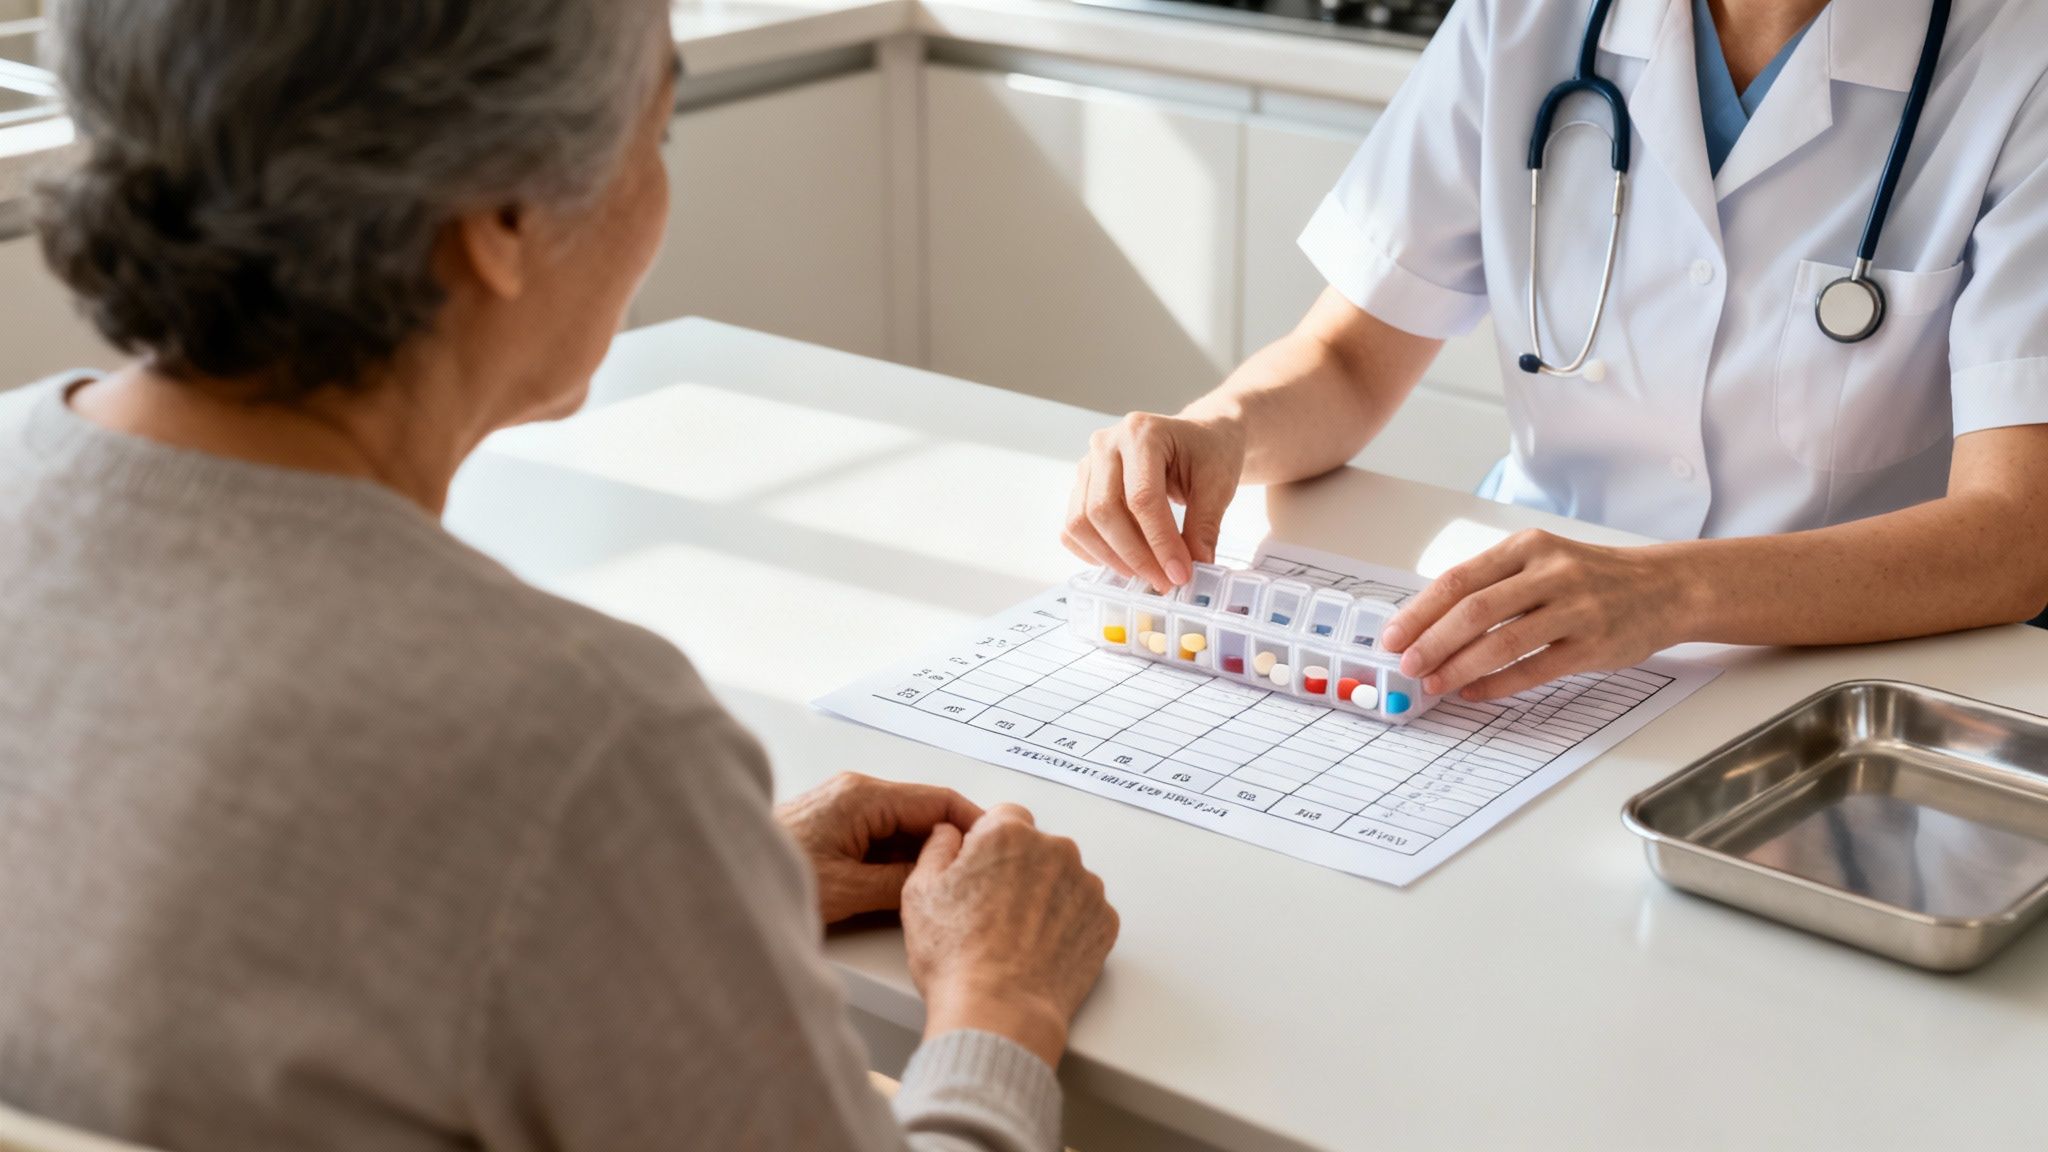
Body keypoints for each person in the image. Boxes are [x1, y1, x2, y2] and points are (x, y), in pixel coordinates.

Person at [0, 2, 1117, 1150]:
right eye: (655, 132)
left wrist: (673, 888)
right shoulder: (570, 738)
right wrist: (1001, 1003)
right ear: (505, 213)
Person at [1064, 0, 2048, 701]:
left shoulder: (2019, 60)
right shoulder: (1521, 19)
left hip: (1843, 673)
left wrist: (1664, 591)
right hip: (1525, 649)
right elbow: (1347, 360)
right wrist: (1218, 428)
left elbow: (2011, 535)